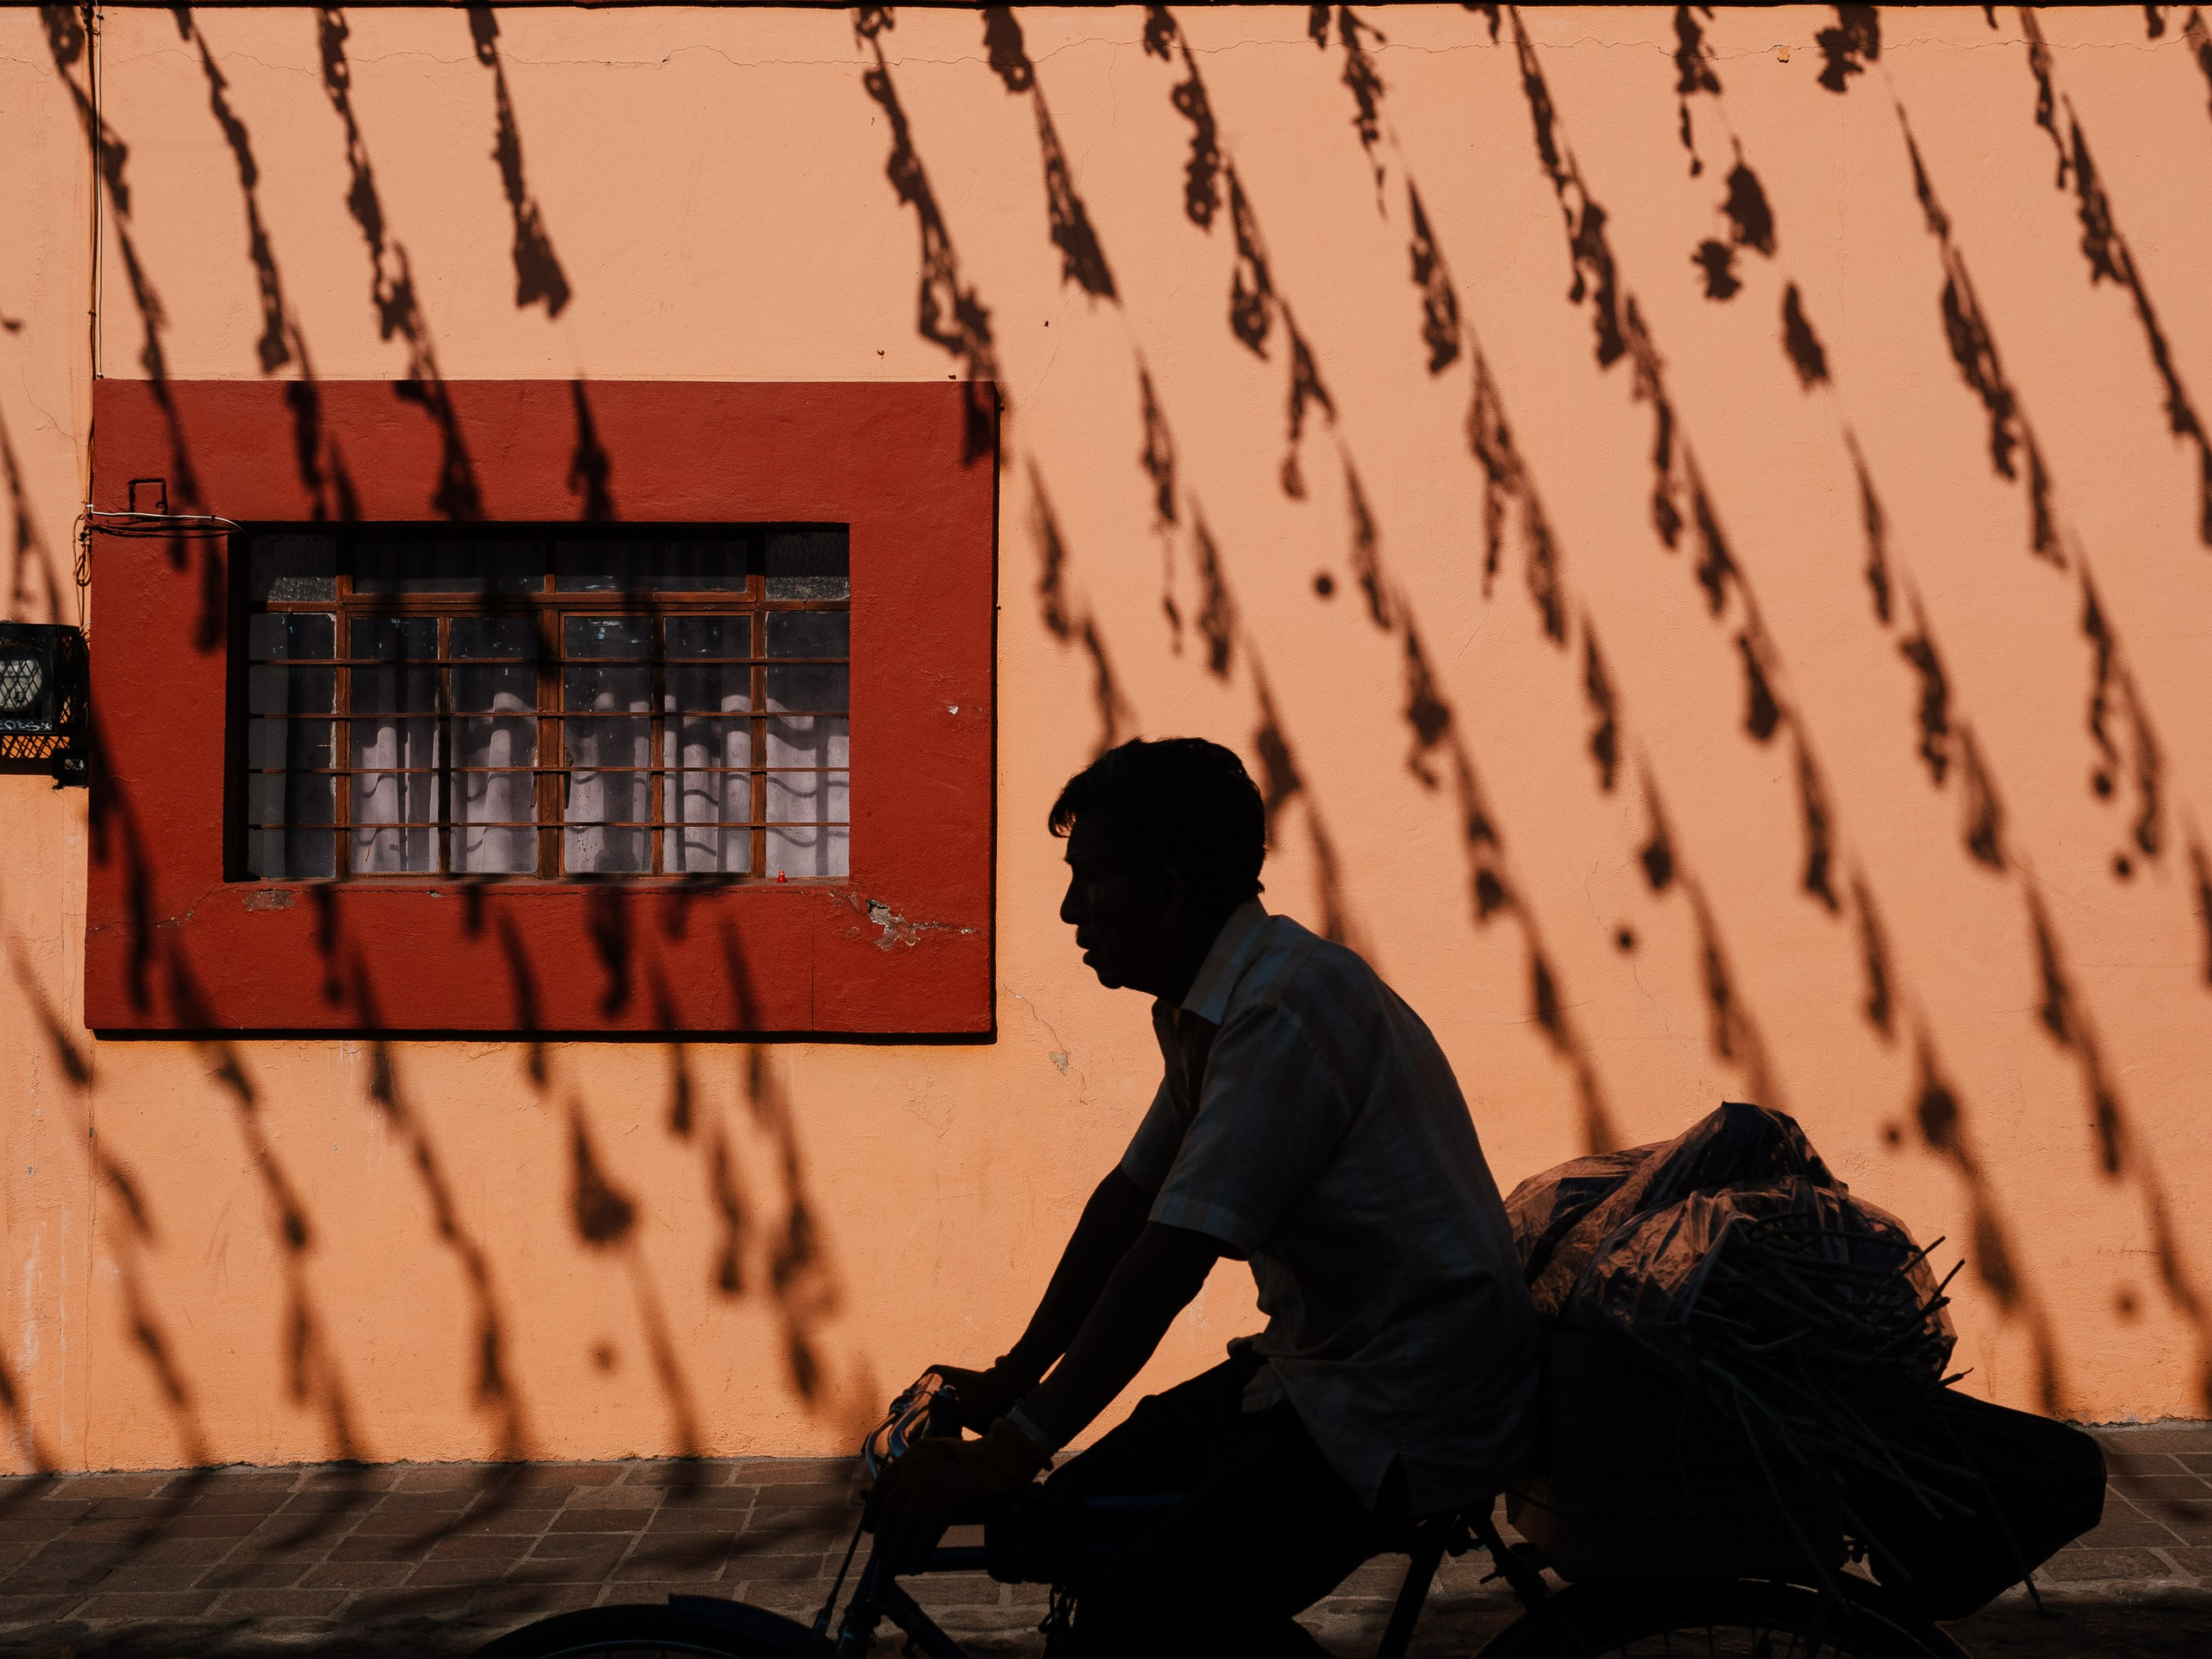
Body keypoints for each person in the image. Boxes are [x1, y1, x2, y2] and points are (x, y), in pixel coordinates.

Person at [871, 737, 1540, 1656]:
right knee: (1069, 1521)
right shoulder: (1207, 1007)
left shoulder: (1279, 1010)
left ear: (1166, 889)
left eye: (1089, 879)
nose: (1071, 910)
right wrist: (1016, 1377)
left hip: (1409, 1399)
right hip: (1327, 1367)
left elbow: (1170, 1260)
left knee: (1141, 1609)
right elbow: (1127, 1203)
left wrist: (1013, 1445)